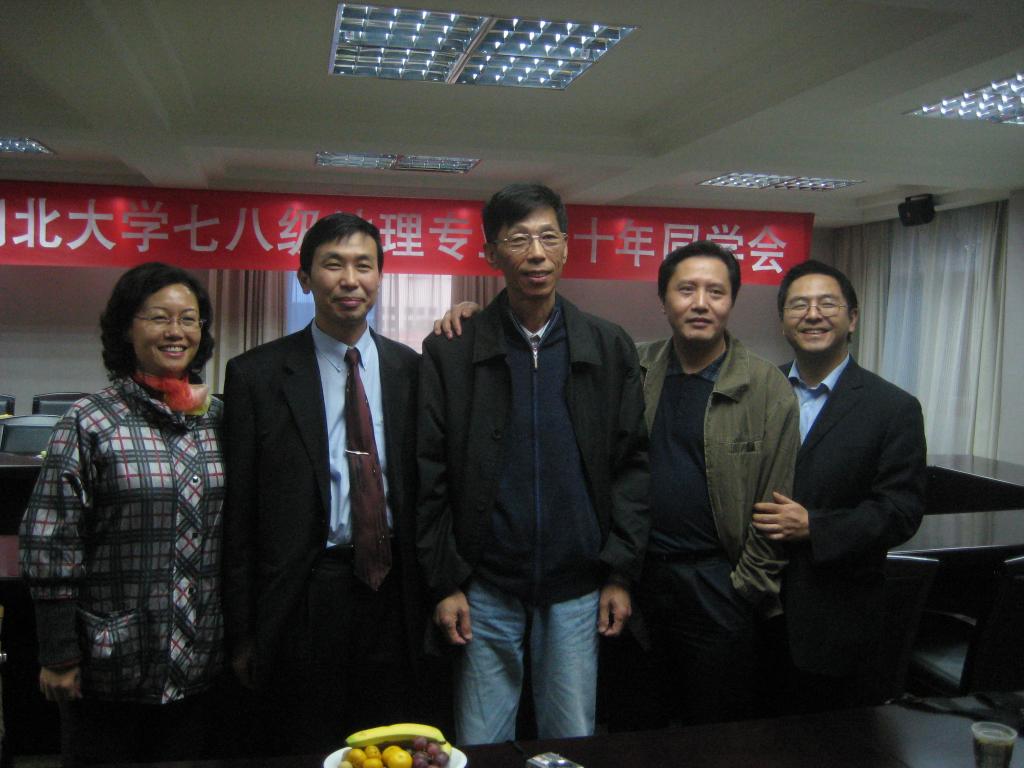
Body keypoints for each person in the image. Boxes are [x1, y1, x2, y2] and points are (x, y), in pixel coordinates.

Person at [416, 183, 650, 745]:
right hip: (485, 588)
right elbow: (429, 474)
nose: (537, 253)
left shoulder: (608, 345)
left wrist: (620, 572)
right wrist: (446, 582)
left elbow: (632, 467)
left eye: (548, 237)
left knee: (570, 739)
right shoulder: (453, 350)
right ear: (491, 252)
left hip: (577, 588)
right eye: (518, 239)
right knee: (481, 741)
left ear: (567, 247)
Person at [221, 213, 429, 755]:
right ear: (304, 277)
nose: (349, 279)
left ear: (380, 276)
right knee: (307, 740)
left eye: (364, 265)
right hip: (308, 592)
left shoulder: (413, 371)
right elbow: (239, 514)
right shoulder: (256, 375)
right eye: (333, 264)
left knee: (388, 742)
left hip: (395, 593)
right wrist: (242, 631)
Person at [19, 262, 224, 765]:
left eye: (189, 319)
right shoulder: (90, 420)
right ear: (127, 329)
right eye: (158, 317)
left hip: (199, 660)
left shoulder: (217, 419)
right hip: (111, 662)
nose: (176, 331)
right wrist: (58, 653)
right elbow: (50, 539)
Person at [752, 259, 926, 711]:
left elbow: (901, 511)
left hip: (835, 620)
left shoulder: (893, 408)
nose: (813, 314)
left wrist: (815, 526)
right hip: (750, 611)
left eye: (827, 304)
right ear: (783, 322)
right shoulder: (755, 392)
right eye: (799, 305)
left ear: (852, 319)